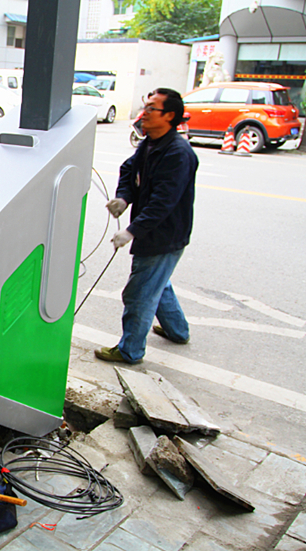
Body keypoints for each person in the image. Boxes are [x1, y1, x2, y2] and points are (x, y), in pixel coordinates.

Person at [95, 88, 197, 365]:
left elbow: (163, 203)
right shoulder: (150, 143)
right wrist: (124, 197)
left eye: (152, 108)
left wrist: (131, 231)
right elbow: (129, 169)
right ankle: (177, 330)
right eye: (146, 107)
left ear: (169, 116)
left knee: (139, 293)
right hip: (153, 231)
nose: (145, 113)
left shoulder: (177, 153)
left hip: (164, 235)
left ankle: (130, 351)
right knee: (157, 283)